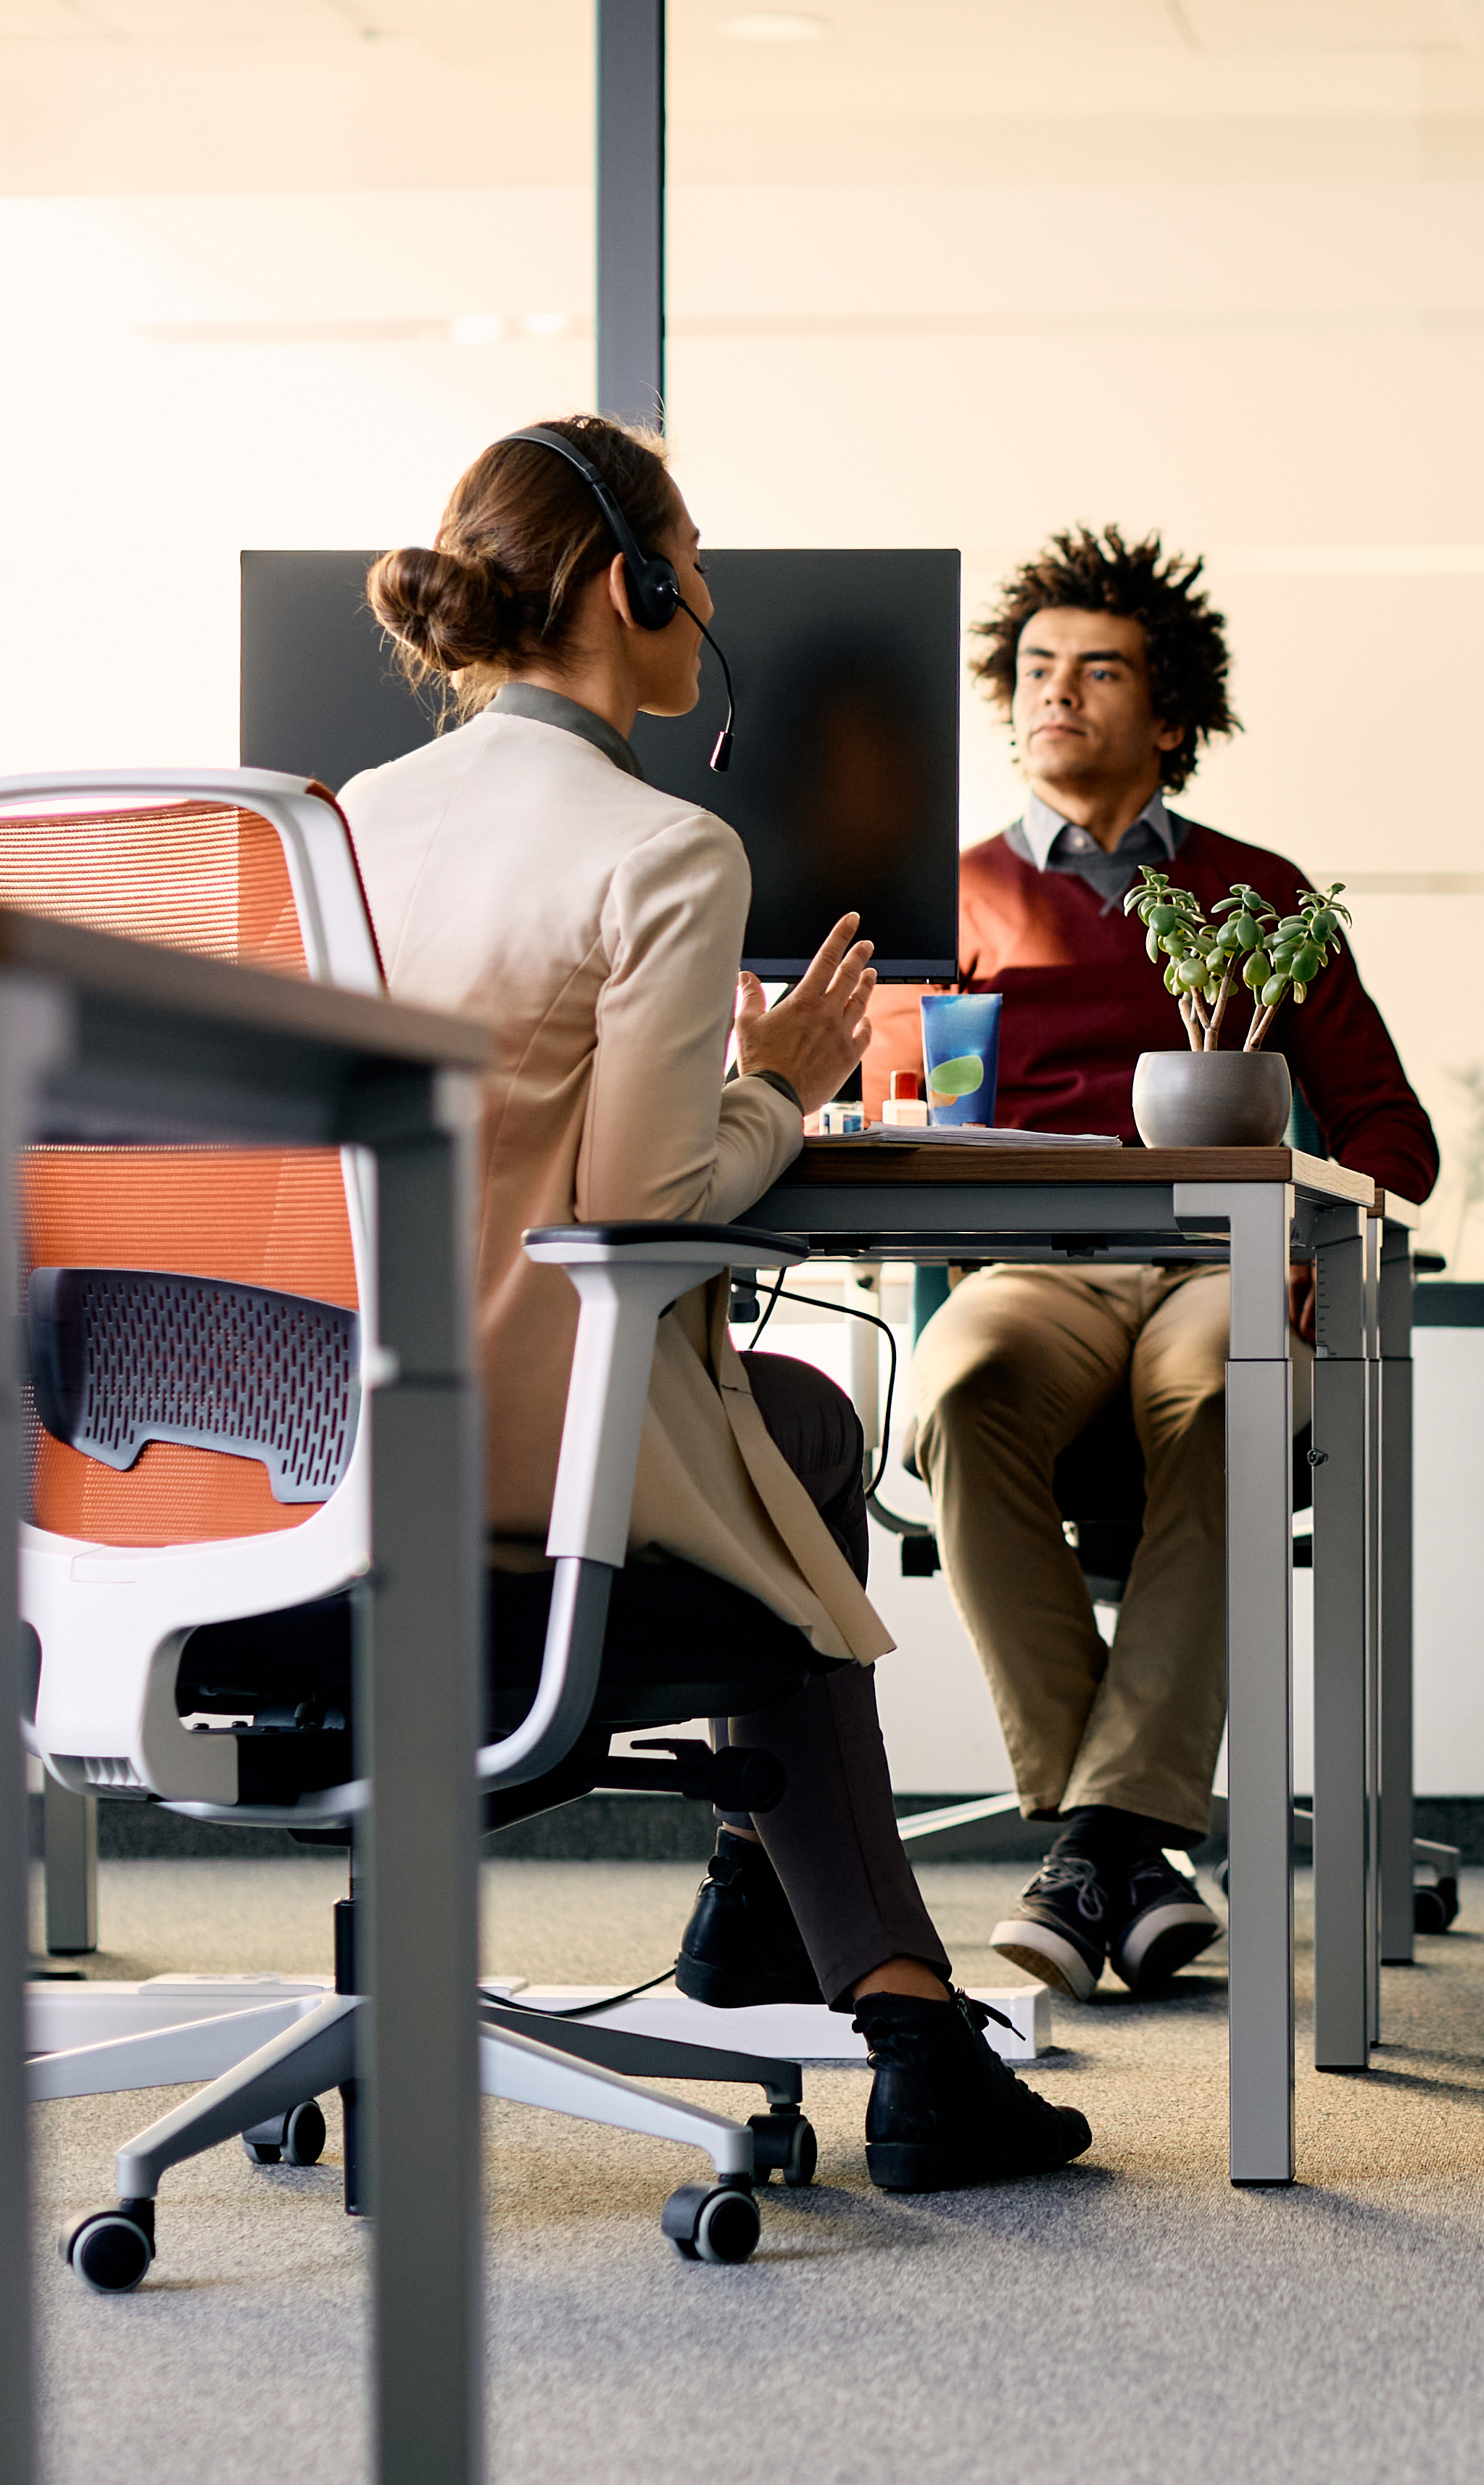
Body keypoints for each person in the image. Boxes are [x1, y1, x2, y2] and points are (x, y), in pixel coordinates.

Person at [339, 415, 1090, 2192]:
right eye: (698, 563)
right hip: (525, 1456)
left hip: (306, 1449)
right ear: (636, 584)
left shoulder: (336, 831)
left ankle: (785, 1912)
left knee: (800, 1426)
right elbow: (644, 1202)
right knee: (805, 1429)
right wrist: (793, 1076)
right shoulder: (665, 850)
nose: (711, 599)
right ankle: (900, 2019)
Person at [892, 526, 1439, 2001]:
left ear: (1171, 716)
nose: (1053, 693)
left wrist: (1332, 1241)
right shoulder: (937, 903)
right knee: (964, 1389)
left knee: (1230, 1394)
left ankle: (1099, 1838)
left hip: (1221, 1265)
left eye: (1098, 670)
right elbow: (888, 1108)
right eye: (1033, 669)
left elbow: (1394, 1130)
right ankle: (1125, 1844)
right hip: (1036, 1267)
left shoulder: (1258, 897)